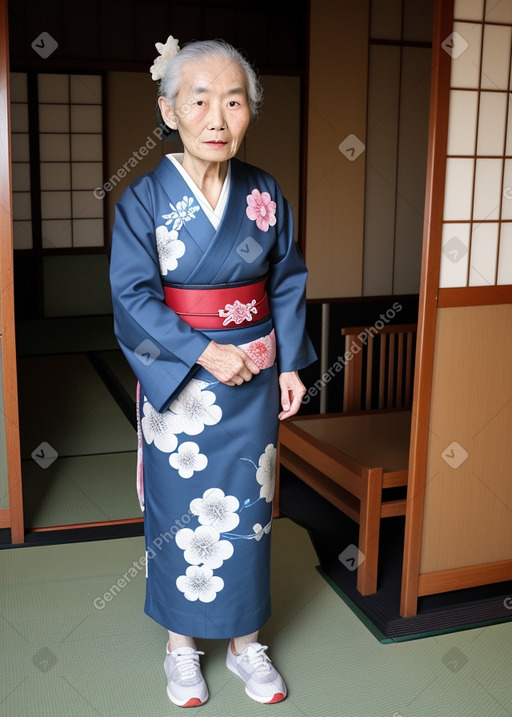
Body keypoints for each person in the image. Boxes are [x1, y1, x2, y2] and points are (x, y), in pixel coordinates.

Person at [109, 35, 316, 708]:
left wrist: (287, 363)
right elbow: (132, 296)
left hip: (253, 377)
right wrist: (202, 351)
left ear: (251, 111)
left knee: (251, 512)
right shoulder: (142, 200)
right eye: (200, 100)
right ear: (169, 110)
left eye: (235, 100)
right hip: (182, 387)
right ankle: (181, 648)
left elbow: (286, 281)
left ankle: (246, 643)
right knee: (181, 513)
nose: (218, 118)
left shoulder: (265, 193)